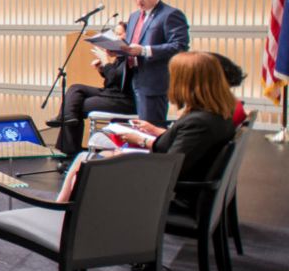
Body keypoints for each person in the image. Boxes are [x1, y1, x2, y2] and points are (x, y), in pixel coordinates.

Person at [57, 51, 236, 203]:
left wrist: (137, 147)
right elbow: (181, 147)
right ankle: (64, 211)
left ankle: (68, 217)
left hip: (167, 195)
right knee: (86, 159)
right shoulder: (216, 115)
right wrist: (156, 134)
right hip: (179, 184)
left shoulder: (199, 122)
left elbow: (170, 169)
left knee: (85, 167)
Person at [46, 21, 135, 157]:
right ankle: (66, 119)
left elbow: (118, 82)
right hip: (112, 94)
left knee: (78, 105)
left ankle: (68, 149)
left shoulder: (130, 57)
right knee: (75, 89)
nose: (116, 37)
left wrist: (105, 62)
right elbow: (112, 81)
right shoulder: (120, 57)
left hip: (122, 100)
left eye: (119, 34)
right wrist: (102, 69)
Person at [116, 0, 190, 126]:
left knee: (150, 129)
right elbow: (131, 45)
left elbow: (179, 46)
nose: (139, 0)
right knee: (134, 129)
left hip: (153, 82)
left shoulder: (170, 15)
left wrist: (144, 50)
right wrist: (117, 49)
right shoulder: (134, 16)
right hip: (130, 78)